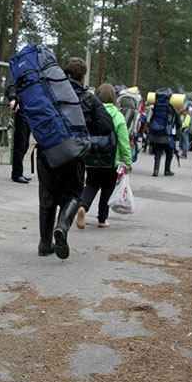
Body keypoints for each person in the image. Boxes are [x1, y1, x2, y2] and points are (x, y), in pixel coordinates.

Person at [38, 57, 114, 259]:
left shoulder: (49, 92)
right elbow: (106, 126)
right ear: (83, 76)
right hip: (74, 154)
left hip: (47, 151)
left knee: (47, 197)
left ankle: (45, 245)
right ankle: (62, 226)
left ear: (64, 72)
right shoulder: (90, 98)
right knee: (73, 194)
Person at [77, 83, 133, 229]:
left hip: (92, 158)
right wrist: (127, 161)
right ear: (114, 97)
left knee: (90, 185)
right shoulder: (118, 116)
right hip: (110, 160)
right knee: (107, 190)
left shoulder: (92, 113)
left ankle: (83, 207)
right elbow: (123, 141)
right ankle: (102, 219)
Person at [147, 87, 179, 177]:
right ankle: (167, 170)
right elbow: (178, 122)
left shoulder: (155, 106)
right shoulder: (171, 109)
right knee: (169, 152)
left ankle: (156, 170)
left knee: (158, 152)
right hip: (167, 135)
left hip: (155, 134)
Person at [5, 81, 32, 184]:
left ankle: (18, 172)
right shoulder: (22, 76)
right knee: (20, 145)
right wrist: (13, 99)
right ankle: (17, 174)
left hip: (29, 114)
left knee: (25, 145)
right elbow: (12, 88)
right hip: (21, 114)